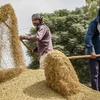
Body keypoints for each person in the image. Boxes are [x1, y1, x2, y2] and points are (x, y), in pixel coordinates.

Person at [85, 8, 100, 91]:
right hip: (94, 54)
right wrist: (91, 50)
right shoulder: (94, 23)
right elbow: (88, 37)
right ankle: (95, 93)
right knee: (95, 74)